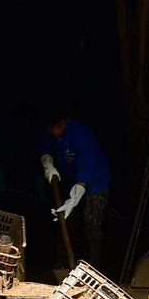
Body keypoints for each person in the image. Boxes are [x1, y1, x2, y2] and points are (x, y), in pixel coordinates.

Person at [40, 107, 112, 268]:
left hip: (95, 182)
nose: (54, 131)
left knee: (91, 223)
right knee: (66, 222)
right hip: (69, 181)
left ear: (67, 120)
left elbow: (86, 169)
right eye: (50, 128)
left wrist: (77, 194)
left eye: (58, 126)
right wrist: (47, 163)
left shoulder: (81, 134)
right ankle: (63, 266)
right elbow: (45, 148)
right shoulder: (48, 131)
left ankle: (93, 268)